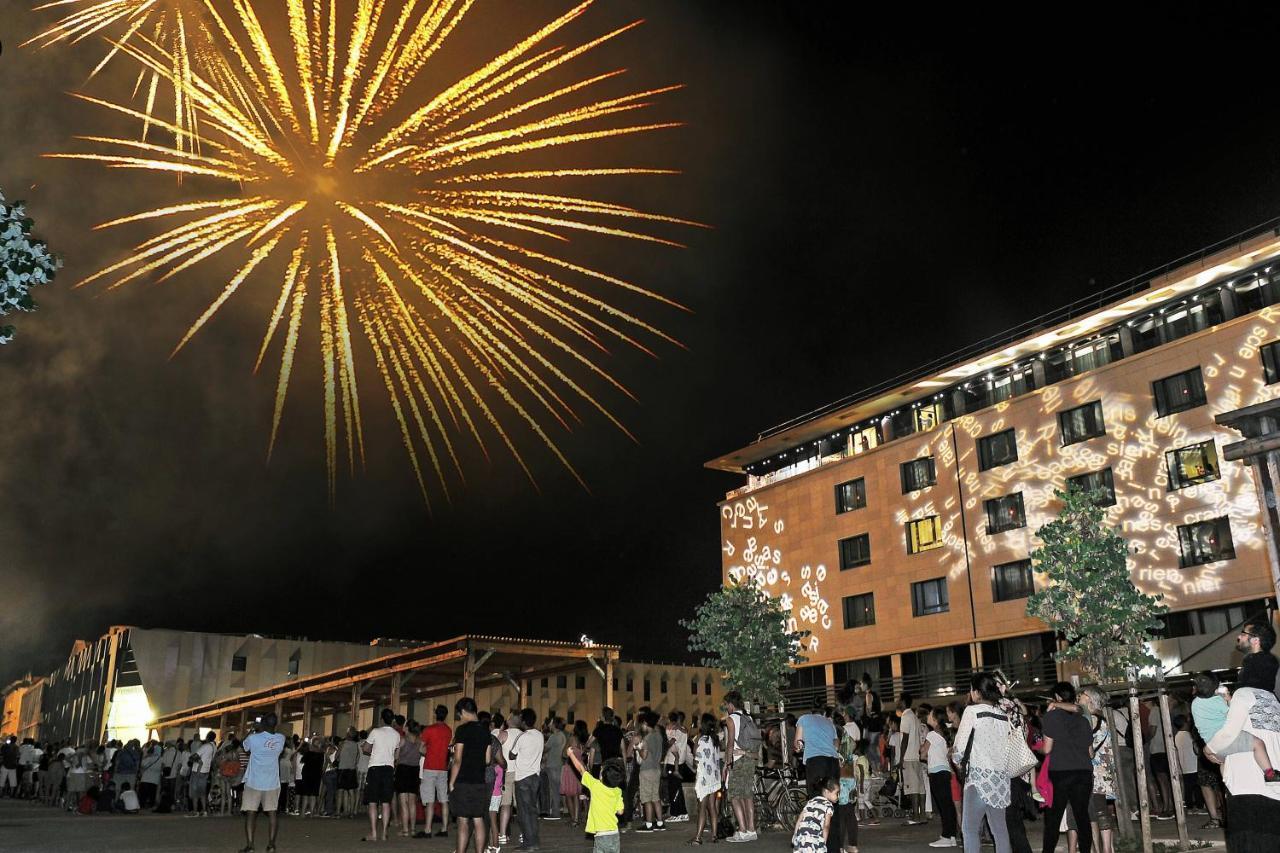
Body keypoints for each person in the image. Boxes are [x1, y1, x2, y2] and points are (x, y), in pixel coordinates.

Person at [1204, 681, 1280, 852]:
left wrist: (1209, 749)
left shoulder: (1243, 694)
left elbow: (1229, 731)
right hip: (1268, 784)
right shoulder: (1272, 698)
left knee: (1247, 839)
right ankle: (1268, 772)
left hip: (1244, 783)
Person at [953, 672, 1013, 853]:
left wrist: (957, 763)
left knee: (970, 830)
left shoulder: (972, 711)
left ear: (977, 692)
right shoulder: (1003, 715)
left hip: (979, 778)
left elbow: (959, 749)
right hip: (1001, 780)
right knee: (1000, 831)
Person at [1040, 682, 1095, 853]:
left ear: (1056, 697)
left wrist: (1036, 748)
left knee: (1054, 818)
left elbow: (1047, 748)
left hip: (1060, 772)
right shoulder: (1084, 720)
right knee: (1082, 816)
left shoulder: (1051, 717)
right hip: (1083, 772)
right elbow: (1090, 753)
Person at [449, 697, 493, 853]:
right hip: (479, 781)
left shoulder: (462, 730)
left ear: (462, 712)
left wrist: (451, 782)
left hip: (463, 781)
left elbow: (457, 759)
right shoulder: (485, 731)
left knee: (462, 820)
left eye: (459, 715)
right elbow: (488, 760)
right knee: (478, 819)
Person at [565, 743, 626, 853]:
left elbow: (581, 769)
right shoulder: (617, 791)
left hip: (601, 835)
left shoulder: (595, 786)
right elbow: (620, 811)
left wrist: (571, 755)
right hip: (614, 834)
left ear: (602, 776)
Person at [240, 712, 285, 853]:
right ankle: (271, 845)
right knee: (272, 813)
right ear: (275, 724)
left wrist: (253, 729)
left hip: (254, 781)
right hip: (272, 782)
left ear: (263, 723)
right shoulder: (281, 738)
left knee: (251, 813)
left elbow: (244, 745)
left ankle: (250, 845)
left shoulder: (254, 738)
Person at [723, 690, 759, 843]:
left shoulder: (731, 719)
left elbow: (730, 744)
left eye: (726, 705)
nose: (726, 708)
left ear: (731, 704)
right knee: (747, 795)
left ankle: (742, 830)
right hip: (750, 758)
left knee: (735, 796)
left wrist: (727, 763)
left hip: (738, 760)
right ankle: (751, 830)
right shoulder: (748, 717)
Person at [510, 707, 545, 851]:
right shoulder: (540, 735)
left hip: (522, 777)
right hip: (535, 777)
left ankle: (528, 843)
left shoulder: (522, 737)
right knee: (532, 810)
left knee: (523, 813)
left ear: (523, 721)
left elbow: (512, 755)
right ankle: (534, 841)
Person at [363, 707, 400, 842]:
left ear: (382, 719)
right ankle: (384, 832)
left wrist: (374, 750)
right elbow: (397, 755)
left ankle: (373, 832)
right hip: (388, 769)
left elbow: (366, 748)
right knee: (386, 802)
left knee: (373, 802)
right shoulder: (396, 735)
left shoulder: (375, 731)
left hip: (375, 769)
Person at [922, 707, 957, 848]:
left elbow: (922, 754)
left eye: (930, 715)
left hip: (936, 772)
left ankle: (947, 836)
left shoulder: (931, 735)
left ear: (935, 719)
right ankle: (951, 835)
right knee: (948, 804)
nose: (928, 716)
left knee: (943, 806)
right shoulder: (943, 733)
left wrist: (923, 752)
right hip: (945, 771)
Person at [420, 704, 452, 838]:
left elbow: (422, 749)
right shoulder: (448, 730)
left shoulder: (429, 729)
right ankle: (444, 828)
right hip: (443, 768)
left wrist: (427, 752)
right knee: (444, 799)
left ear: (435, 714)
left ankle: (427, 829)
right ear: (446, 715)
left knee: (429, 799)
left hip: (430, 767)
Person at [690, 712, 722, 844]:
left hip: (703, 778)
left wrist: (696, 743)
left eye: (698, 721)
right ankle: (714, 836)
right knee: (712, 808)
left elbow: (696, 760)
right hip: (714, 777)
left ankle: (698, 838)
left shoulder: (701, 740)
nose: (697, 722)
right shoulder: (715, 739)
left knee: (701, 808)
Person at [633, 711, 666, 833]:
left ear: (646, 723)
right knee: (655, 797)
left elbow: (644, 755)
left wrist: (637, 747)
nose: (641, 727)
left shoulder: (647, 738)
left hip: (646, 770)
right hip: (656, 769)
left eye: (642, 724)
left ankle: (648, 824)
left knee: (646, 798)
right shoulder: (659, 736)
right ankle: (660, 822)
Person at [792, 776, 839, 853]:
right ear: (827, 792)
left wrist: (795, 835)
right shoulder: (828, 806)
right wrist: (823, 843)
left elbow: (800, 819)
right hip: (814, 840)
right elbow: (826, 827)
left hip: (801, 837)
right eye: (836, 793)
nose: (838, 796)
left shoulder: (811, 801)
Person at [396, 721, 423, 837]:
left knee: (403, 802)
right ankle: (412, 829)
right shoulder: (419, 741)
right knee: (412, 802)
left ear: (407, 728)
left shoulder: (402, 740)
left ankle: (405, 830)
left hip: (403, 770)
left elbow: (396, 757)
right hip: (414, 771)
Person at [542, 717, 566, 821]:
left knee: (554, 789)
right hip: (559, 764)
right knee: (558, 788)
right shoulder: (562, 736)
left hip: (552, 764)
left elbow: (545, 748)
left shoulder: (553, 736)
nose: (549, 725)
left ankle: (555, 812)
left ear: (555, 725)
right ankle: (558, 810)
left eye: (551, 723)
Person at [561, 727, 585, 826]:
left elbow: (563, 754)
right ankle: (576, 818)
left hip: (569, 769)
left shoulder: (570, 741)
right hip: (578, 769)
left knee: (569, 795)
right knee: (576, 795)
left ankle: (573, 819)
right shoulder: (581, 744)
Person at [337, 727, 360, 817]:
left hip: (342, 769)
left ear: (347, 734)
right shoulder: (355, 745)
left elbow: (337, 756)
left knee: (340, 791)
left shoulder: (342, 744)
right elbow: (357, 758)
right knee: (351, 791)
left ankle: (338, 812)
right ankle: (351, 813)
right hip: (352, 769)